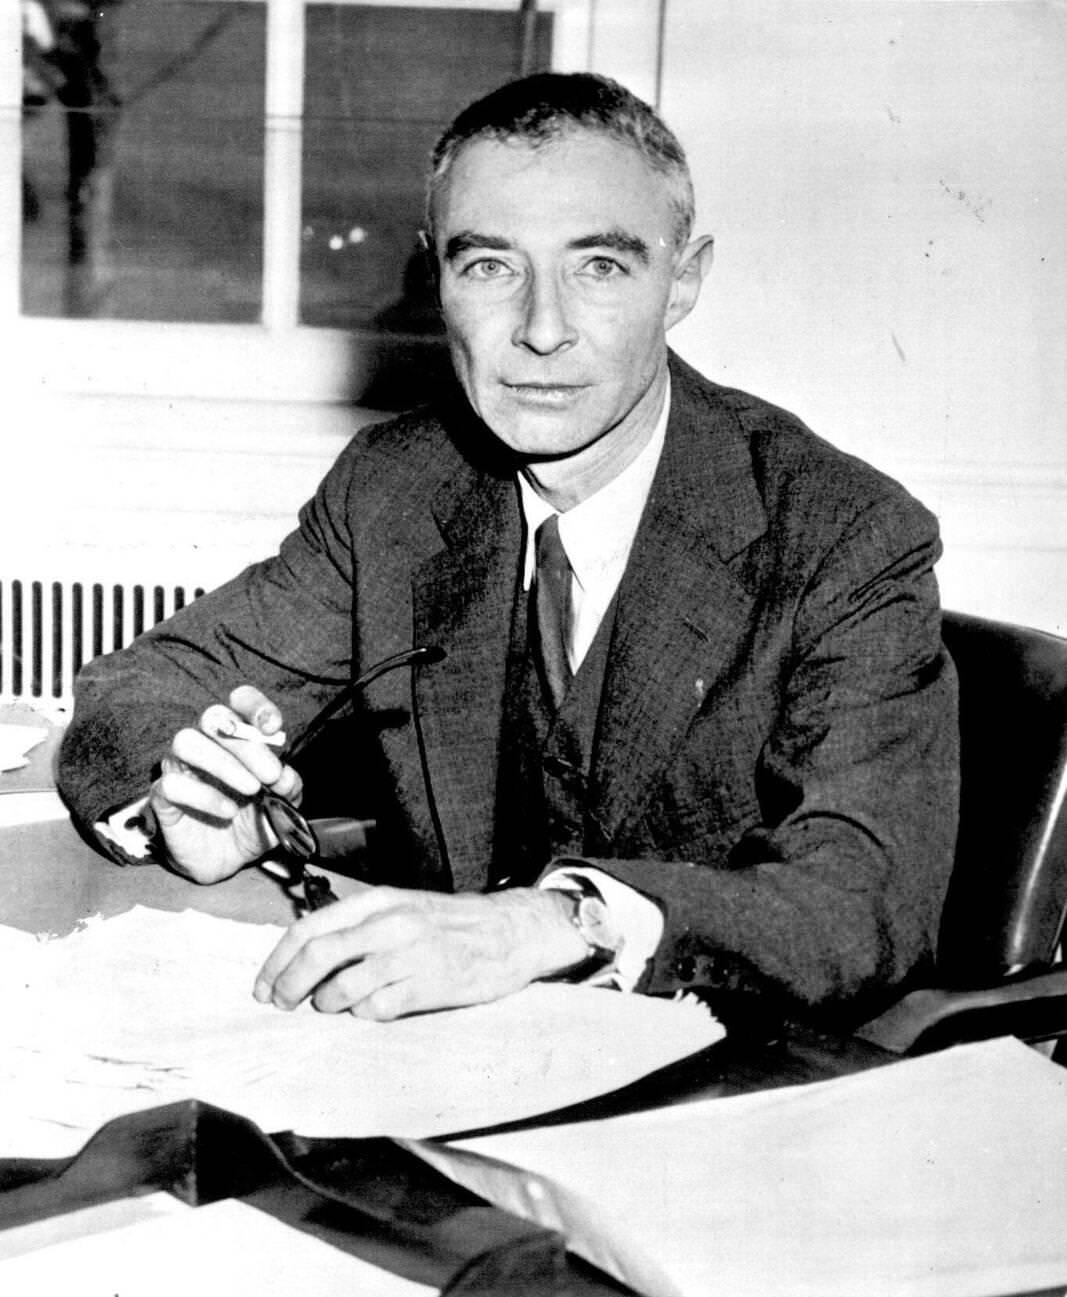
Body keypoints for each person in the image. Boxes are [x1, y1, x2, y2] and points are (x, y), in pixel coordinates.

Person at [57, 71, 959, 1031]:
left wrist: (555, 922)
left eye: (599, 267)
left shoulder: (840, 532)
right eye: (489, 266)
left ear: (683, 281)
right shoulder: (399, 489)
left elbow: (864, 896)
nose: (540, 329)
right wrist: (181, 807)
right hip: (446, 1071)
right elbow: (143, 685)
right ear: (436, 275)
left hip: (721, 1081)